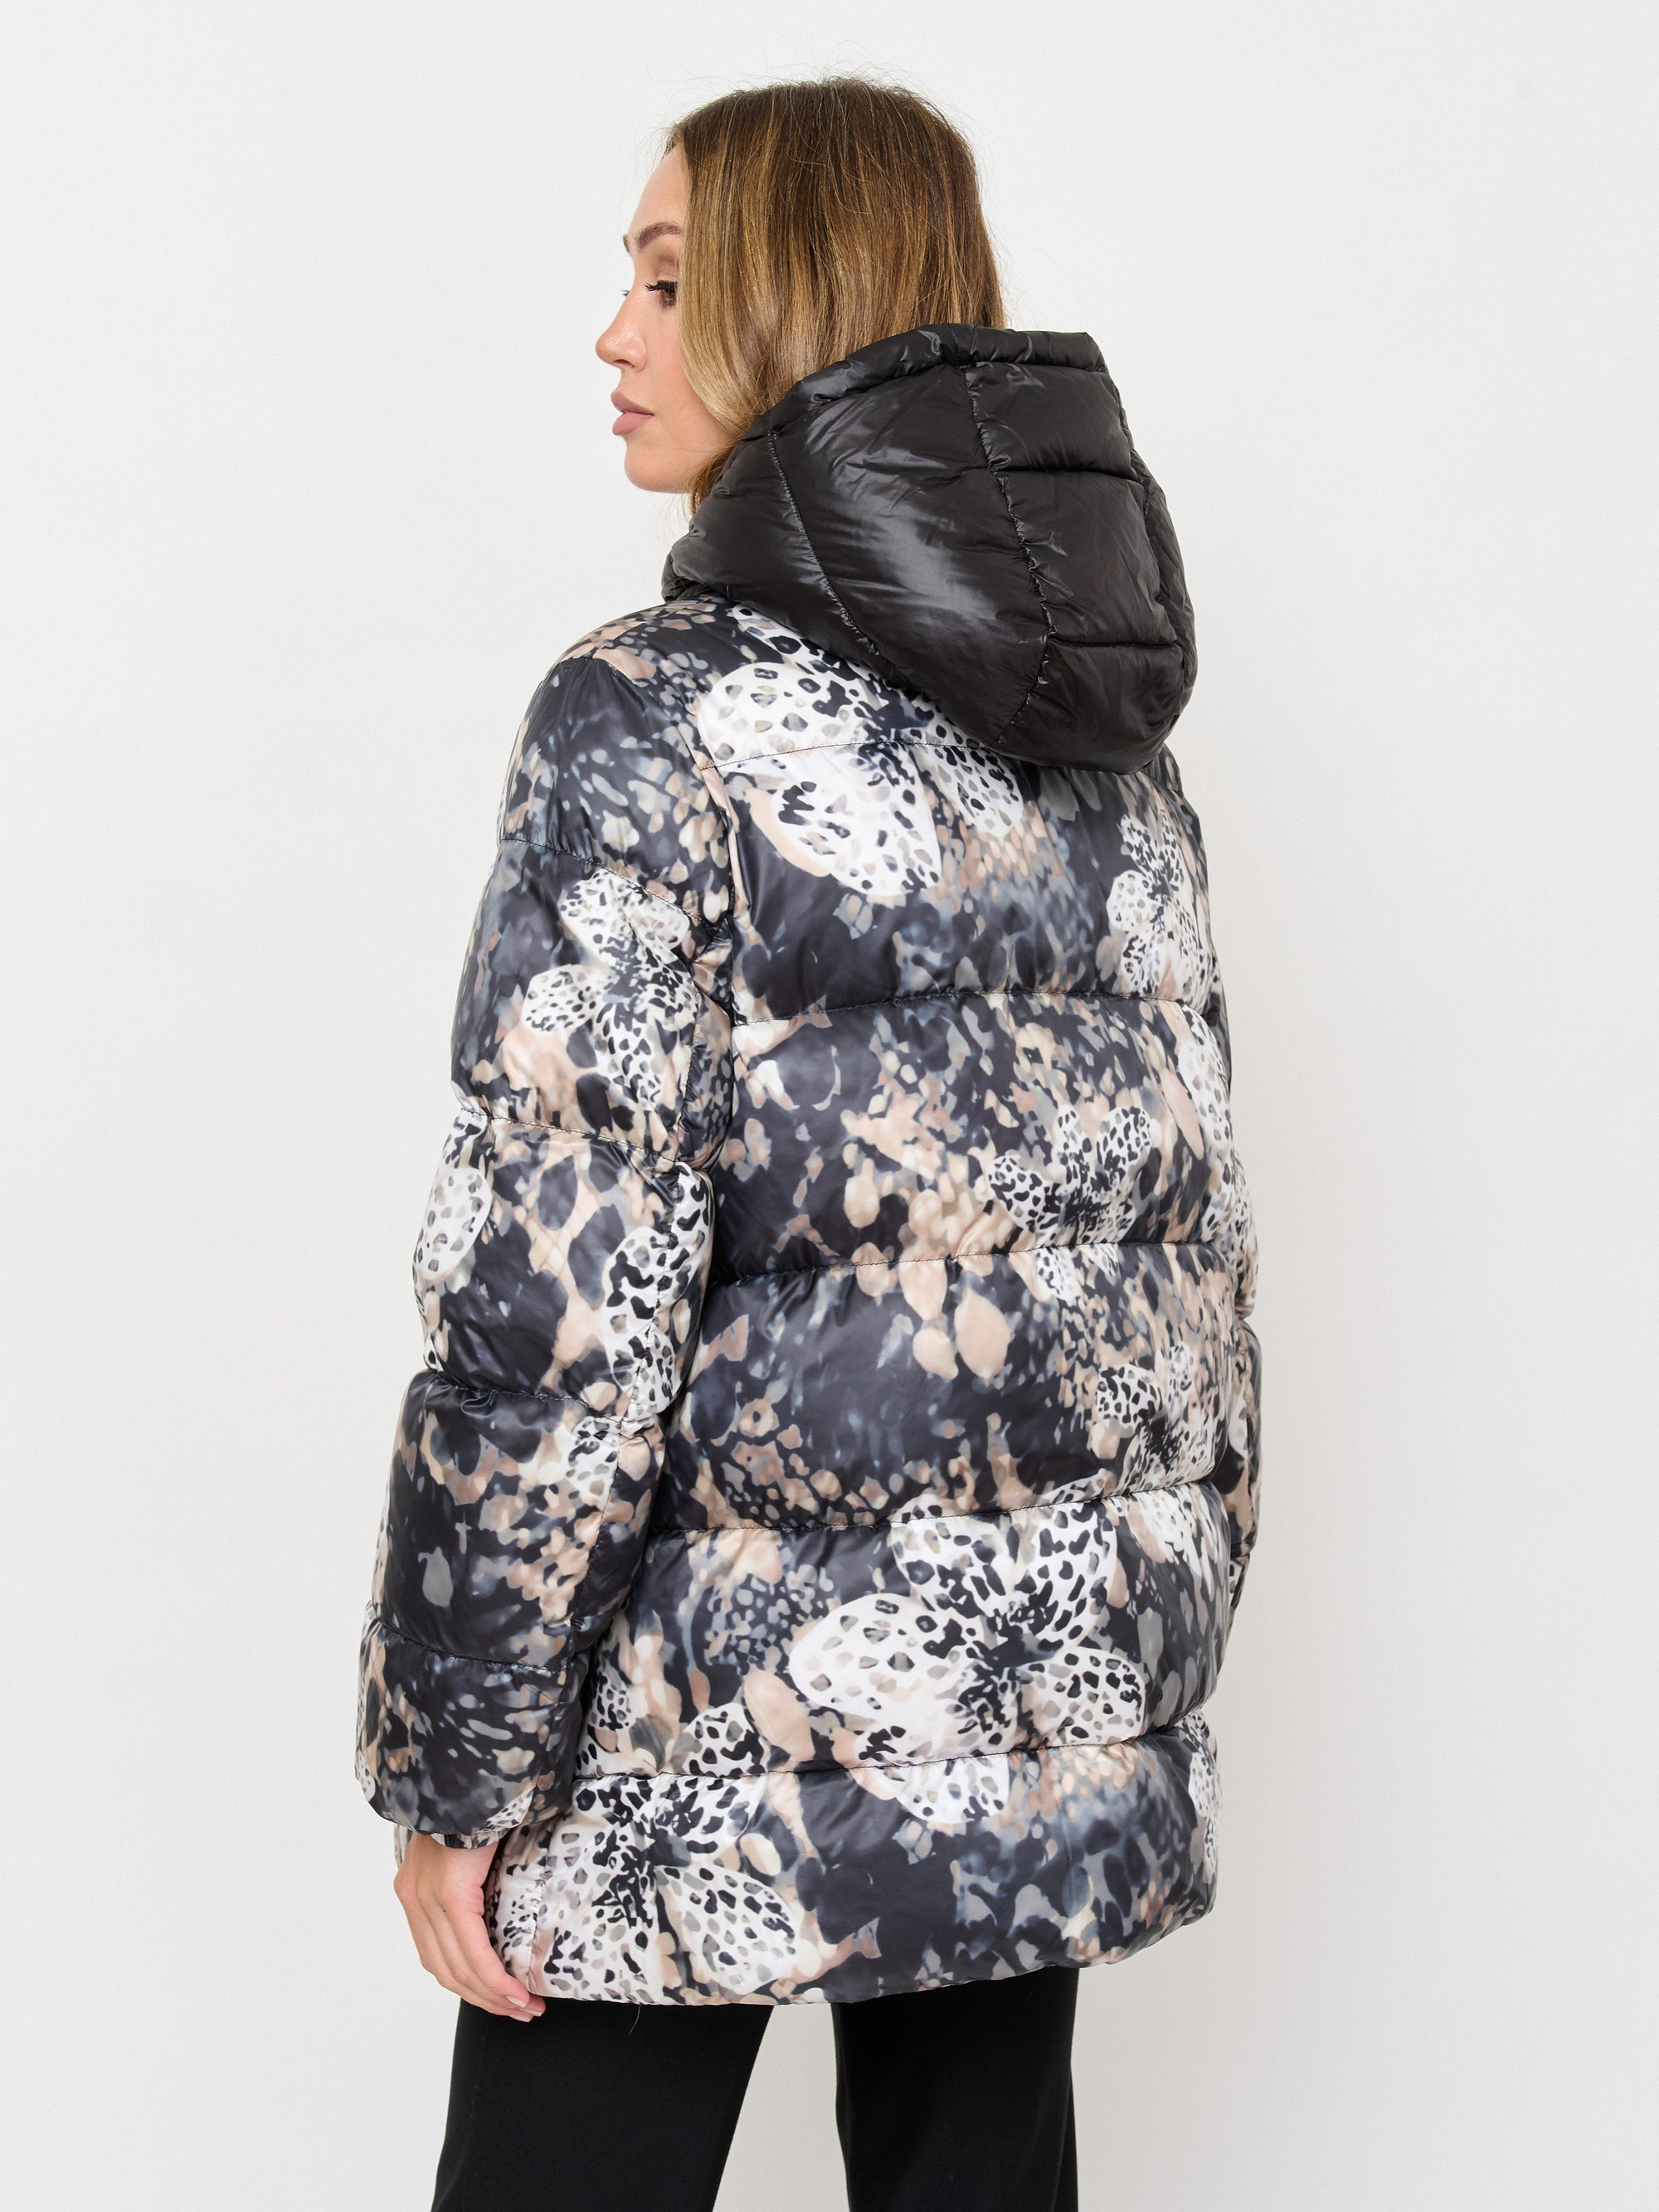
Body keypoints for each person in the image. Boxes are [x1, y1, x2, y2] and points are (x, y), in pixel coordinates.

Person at [356, 75, 1261, 2212]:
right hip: (1044, 1689)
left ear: (795, 295)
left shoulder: (647, 711)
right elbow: (1193, 1266)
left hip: (692, 1716)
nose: (616, 332)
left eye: (669, 280)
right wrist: (1140, 1654)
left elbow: (557, 1307)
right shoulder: (1103, 737)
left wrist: (462, 1757)